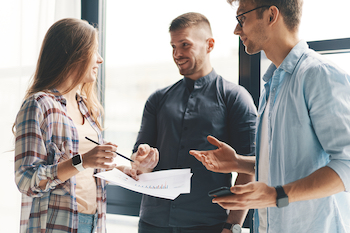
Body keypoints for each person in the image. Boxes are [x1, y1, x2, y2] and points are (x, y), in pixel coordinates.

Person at [190, 0, 350, 232]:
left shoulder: (319, 75)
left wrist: (276, 195)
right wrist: (239, 163)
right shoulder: (272, 84)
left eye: (241, 19)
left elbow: (347, 164)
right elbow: (292, 164)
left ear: (271, 15)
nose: (236, 30)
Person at [130, 12, 257, 233]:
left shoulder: (235, 98)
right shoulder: (157, 99)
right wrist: (140, 161)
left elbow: (249, 169)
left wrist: (233, 226)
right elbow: (137, 160)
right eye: (173, 46)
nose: (177, 54)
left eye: (185, 45)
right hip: (152, 223)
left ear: (209, 45)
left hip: (208, 225)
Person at [13, 18, 141, 233]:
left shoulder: (85, 107)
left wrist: (127, 169)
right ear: (74, 55)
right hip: (57, 225)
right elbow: (26, 181)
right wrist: (82, 161)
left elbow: (86, 172)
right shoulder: (39, 105)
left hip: (93, 223)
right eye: (95, 51)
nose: (100, 60)